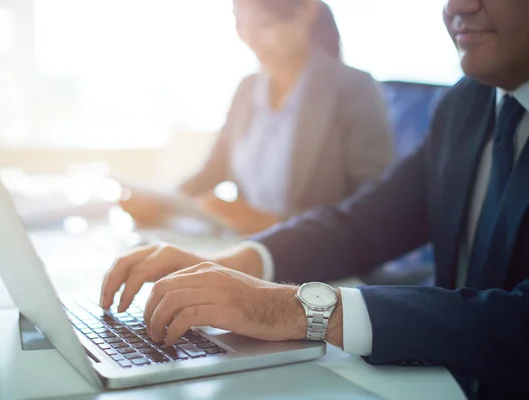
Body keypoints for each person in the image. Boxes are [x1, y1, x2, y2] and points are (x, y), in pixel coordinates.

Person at [101, 0, 529, 398]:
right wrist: (228, 264)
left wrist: (294, 309)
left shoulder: (354, 88)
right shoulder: (465, 103)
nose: (457, 7)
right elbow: (361, 223)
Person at [119, 0, 393, 235]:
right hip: (245, 250)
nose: (250, 38)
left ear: (308, 10)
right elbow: (213, 171)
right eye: (240, 22)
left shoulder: (354, 89)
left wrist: (276, 222)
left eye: (265, 25)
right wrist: (162, 203)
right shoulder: (248, 88)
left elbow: (375, 207)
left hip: (319, 266)